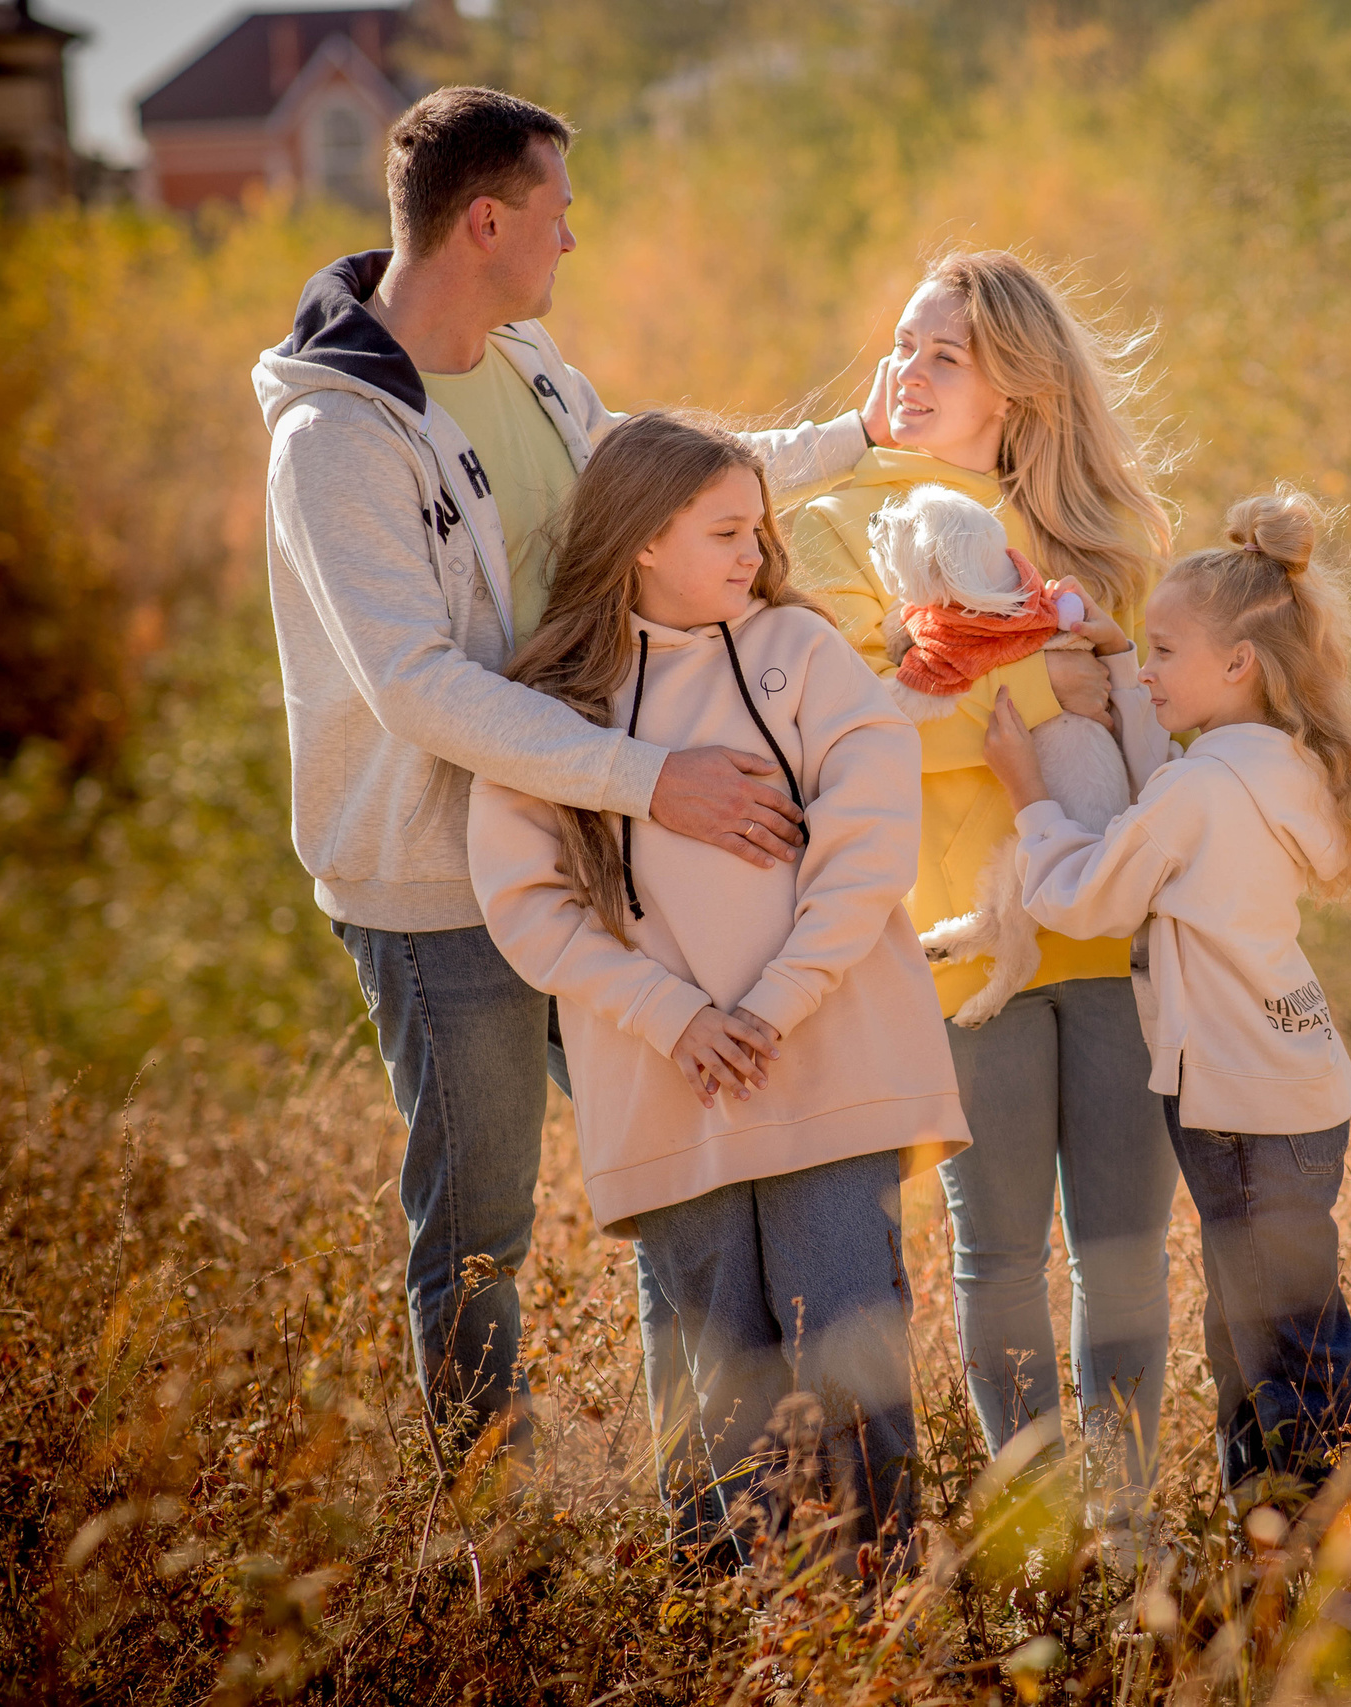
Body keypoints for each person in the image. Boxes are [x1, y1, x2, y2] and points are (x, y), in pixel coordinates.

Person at [251, 86, 894, 1497]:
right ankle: (498, 1521)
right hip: (438, 888)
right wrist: (651, 778)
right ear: (486, 220)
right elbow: (414, 685)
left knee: (686, 1170)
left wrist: (851, 434)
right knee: (482, 1228)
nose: (574, 238)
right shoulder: (336, 439)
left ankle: (726, 1501)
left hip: (600, 848)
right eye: (557, 211)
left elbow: (649, 498)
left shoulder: (532, 359)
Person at [469, 410, 966, 1569]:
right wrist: (678, 1019)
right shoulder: (551, 703)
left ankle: (880, 1622)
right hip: (670, 1084)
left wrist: (774, 1003)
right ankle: (731, 1640)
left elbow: (872, 835)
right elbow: (527, 904)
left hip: (828, 1060)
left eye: (757, 529)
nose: (754, 554)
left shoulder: (801, 653)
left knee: (849, 1358)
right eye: (725, 531)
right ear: (642, 538)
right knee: (717, 1395)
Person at [792, 252, 1178, 1547]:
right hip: (968, 942)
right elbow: (860, 727)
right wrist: (1035, 700)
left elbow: (1149, 728)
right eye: (901, 345)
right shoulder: (846, 522)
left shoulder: (1105, 541)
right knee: (1000, 1252)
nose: (905, 372)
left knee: (1123, 1252)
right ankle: (1036, 1526)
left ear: (1013, 387)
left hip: (1120, 937)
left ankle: (1127, 1522)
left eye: (941, 355)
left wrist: (1063, 693)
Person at [981, 489, 1351, 1500]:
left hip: (1236, 1112)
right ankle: (1269, 1557)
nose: (1141, 670)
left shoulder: (1197, 792)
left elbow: (1088, 896)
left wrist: (1027, 794)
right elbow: (1182, 767)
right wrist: (1134, 679)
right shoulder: (1281, 766)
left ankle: (1343, 1560)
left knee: (1286, 1363)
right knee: (1263, 1338)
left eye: (1160, 653)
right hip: (1297, 1091)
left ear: (1237, 667)